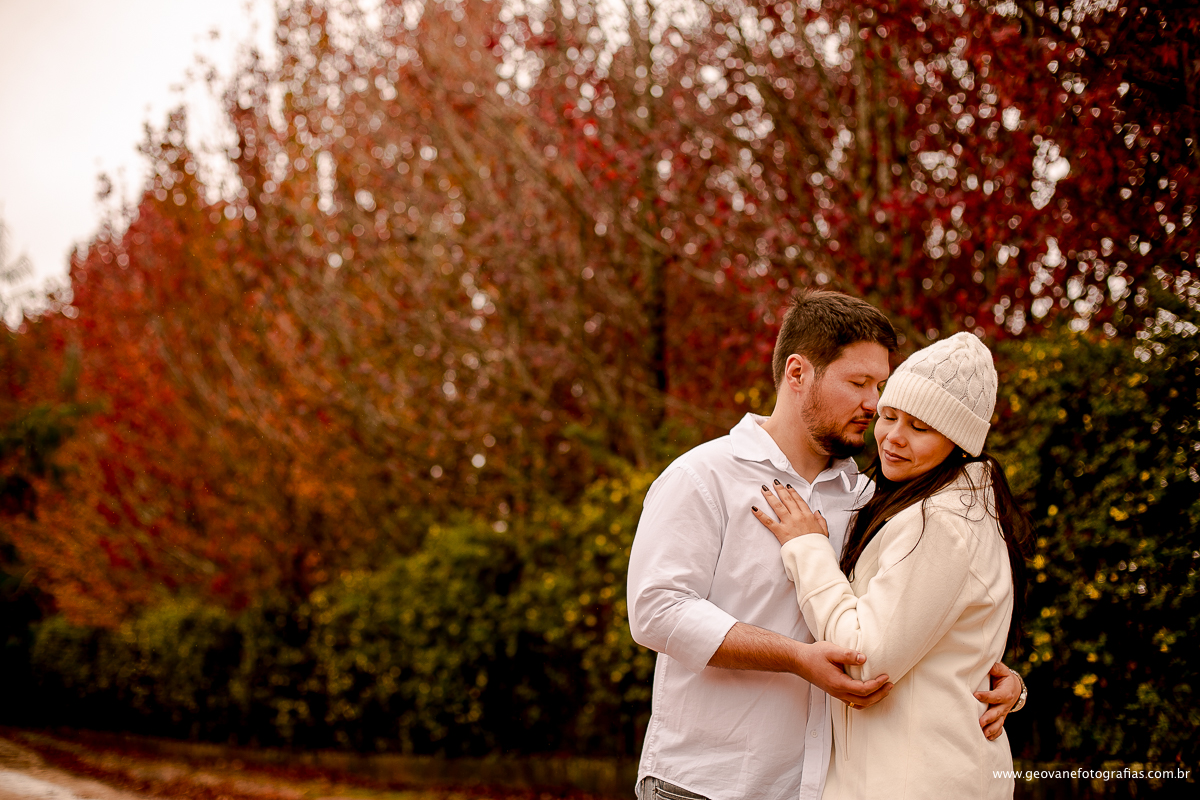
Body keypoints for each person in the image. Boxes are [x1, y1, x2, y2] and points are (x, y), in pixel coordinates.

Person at [627, 292, 1022, 800]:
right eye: (858, 383)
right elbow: (656, 610)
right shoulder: (704, 476)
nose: (874, 404)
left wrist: (996, 677)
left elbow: (904, 620)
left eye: (879, 385)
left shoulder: (868, 497)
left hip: (814, 786)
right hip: (706, 784)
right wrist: (795, 657)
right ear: (798, 373)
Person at [753, 331, 1031, 799]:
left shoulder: (943, 522)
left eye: (920, 427)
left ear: (958, 441)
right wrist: (1008, 683)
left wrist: (806, 548)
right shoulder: (924, 504)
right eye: (888, 417)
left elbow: (864, 661)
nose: (893, 438)